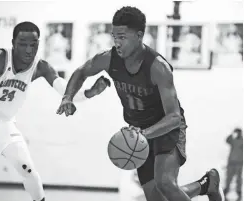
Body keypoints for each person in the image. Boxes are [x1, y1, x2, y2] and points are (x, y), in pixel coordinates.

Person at [57, 6, 224, 201]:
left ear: (139, 35)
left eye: (122, 37)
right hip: (138, 129)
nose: (117, 43)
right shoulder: (108, 59)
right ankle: (206, 185)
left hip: (167, 127)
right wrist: (67, 97)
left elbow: (174, 117)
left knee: (165, 183)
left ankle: (205, 184)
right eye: (114, 37)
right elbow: (81, 72)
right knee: (156, 198)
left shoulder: (158, 67)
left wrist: (143, 135)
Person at [0, 21, 111, 201]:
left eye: (34, 45)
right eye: (23, 44)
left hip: (3, 126)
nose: (29, 50)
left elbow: (64, 88)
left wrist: (90, 93)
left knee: (28, 170)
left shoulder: (40, 67)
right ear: (13, 43)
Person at [224, 128, 243, 201]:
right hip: (231, 162)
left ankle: (239, 191)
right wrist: (231, 133)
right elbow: (227, 140)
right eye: (236, 132)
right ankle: (226, 189)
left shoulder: (242, 141)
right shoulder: (233, 140)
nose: (237, 134)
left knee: (238, 178)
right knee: (229, 177)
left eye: (238, 132)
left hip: (239, 163)